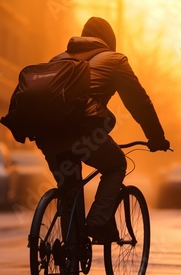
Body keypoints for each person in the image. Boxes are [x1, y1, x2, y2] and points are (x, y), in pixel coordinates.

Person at [34, 17, 170, 243]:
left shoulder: (58, 59)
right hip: (83, 131)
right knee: (116, 163)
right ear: (108, 42)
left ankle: (70, 254)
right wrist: (156, 138)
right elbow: (139, 102)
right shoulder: (115, 60)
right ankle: (97, 223)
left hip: (47, 135)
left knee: (69, 189)